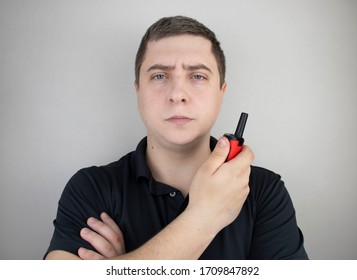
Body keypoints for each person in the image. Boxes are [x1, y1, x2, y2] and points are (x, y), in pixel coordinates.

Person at [45, 16, 308, 260]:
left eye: (197, 76)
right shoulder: (91, 188)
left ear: (221, 93)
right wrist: (205, 217)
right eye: (160, 76)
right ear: (138, 91)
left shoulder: (264, 192)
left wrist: (124, 267)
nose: (177, 94)